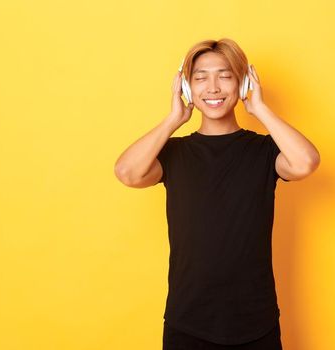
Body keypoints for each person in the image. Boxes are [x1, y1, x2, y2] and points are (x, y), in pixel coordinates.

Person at [113, 38, 321, 349]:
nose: (213, 87)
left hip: (256, 320)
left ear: (243, 83)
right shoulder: (174, 154)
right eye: (200, 77)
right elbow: (127, 173)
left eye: (225, 76)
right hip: (188, 321)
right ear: (186, 88)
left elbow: (306, 162)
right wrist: (174, 119)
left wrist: (261, 109)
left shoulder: (264, 152)